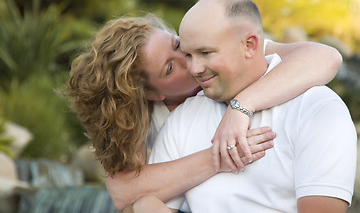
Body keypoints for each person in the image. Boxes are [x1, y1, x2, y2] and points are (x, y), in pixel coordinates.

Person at [64, 11, 343, 212]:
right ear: (152, 93)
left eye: (176, 45)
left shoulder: (216, 49)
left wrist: (241, 107)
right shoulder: (141, 114)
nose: (189, 61)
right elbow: (125, 193)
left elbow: (326, 57)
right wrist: (221, 155)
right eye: (170, 68)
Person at [149, 0, 357, 213]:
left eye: (206, 52)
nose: (194, 69)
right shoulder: (183, 118)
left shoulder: (318, 109)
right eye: (189, 55)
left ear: (249, 45)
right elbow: (148, 202)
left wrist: (240, 107)